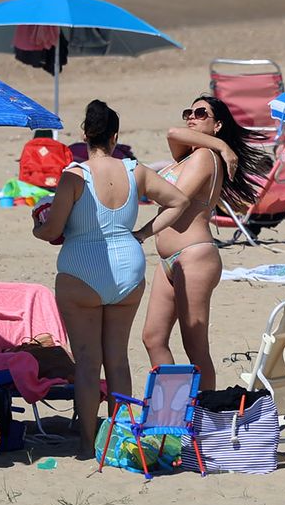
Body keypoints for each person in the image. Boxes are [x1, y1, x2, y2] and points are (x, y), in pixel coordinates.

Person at [32, 101, 189, 458]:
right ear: (116, 136)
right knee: (117, 358)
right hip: (127, 266)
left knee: (88, 361)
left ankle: (88, 445)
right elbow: (179, 202)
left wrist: (37, 227)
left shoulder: (74, 175)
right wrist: (144, 233)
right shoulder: (137, 172)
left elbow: (54, 229)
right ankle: (118, 441)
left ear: (84, 134)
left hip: (82, 268)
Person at [143, 96, 271, 391]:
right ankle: (175, 410)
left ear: (218, 124)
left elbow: (177, 199)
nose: (192, 117)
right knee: (153, 337)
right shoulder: (192, 154)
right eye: (189, 111)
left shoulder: (204, 157)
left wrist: (142, 230)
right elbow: (173, 134)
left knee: (195, 348)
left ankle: (204, 414)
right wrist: (223, 145)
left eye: (201, 113)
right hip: (169, 261)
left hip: (194, 256)